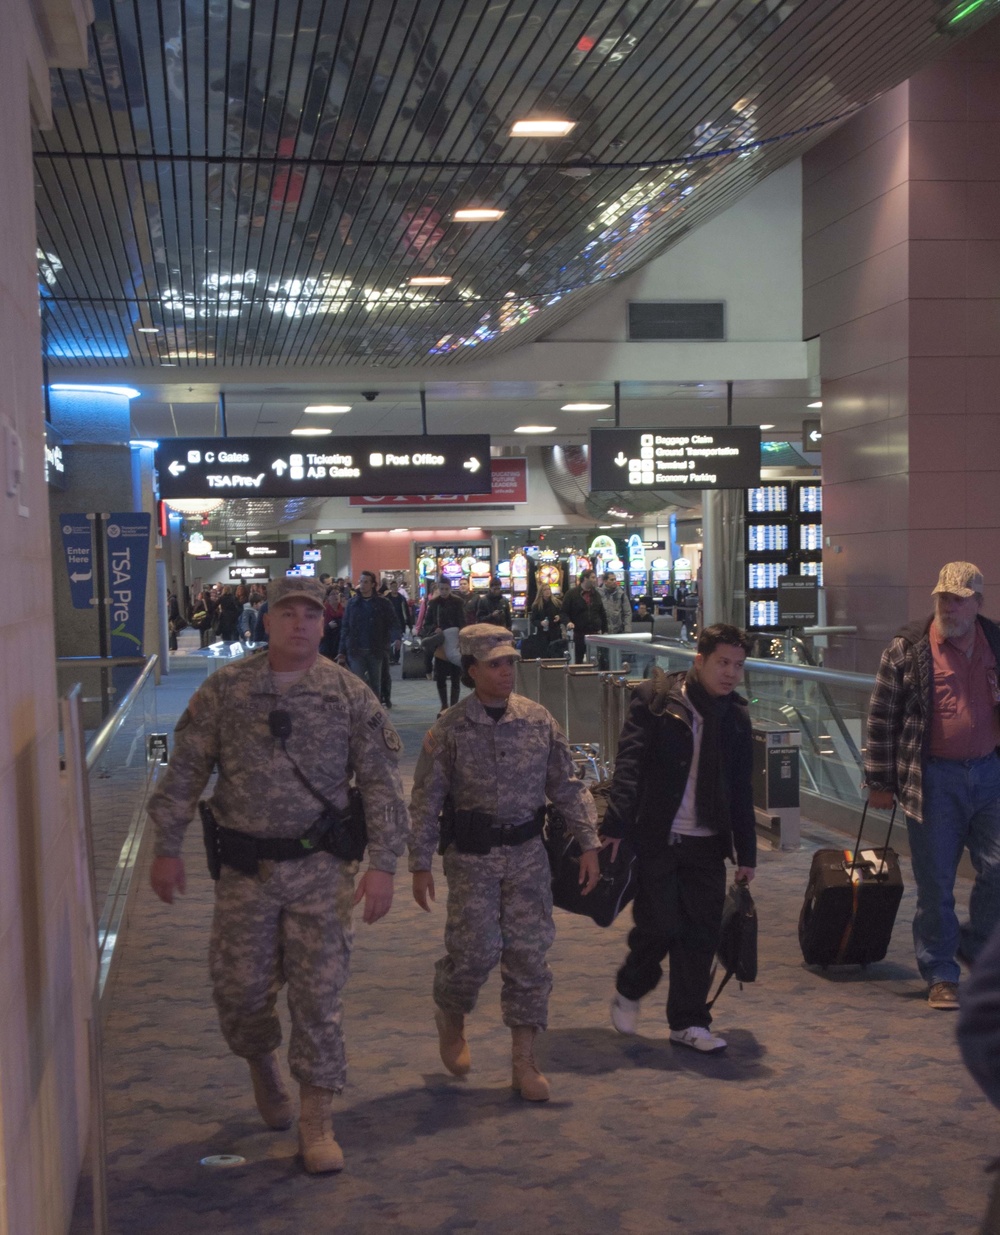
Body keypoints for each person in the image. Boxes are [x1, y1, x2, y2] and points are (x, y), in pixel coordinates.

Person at [146, 576, 409, 1174]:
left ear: (324, 624)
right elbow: (186, 770)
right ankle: (263, 1064)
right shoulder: (226, 690)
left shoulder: (347, 694)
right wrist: (166, 844)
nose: (299, 624)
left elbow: (380, 784)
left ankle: (317, 1120)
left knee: (319, 997)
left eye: (310, 616)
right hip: (246, 870)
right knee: (238, 993)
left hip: (321, 868)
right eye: (287, 613)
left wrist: (385, 864)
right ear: (267, 621)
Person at [409, 624, 602, 1101]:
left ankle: (524, 1060)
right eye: (494, 664)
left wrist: (589, 842)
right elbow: (425, 800)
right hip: (471, 857)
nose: (505, 672)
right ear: (471, 670)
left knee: (528, 954)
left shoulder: (537, 721)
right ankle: (451, 1012)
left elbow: (567, 785)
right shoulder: (451, 729)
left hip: (526, 855)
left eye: (510, 662)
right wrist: (418, 863)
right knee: (474, 953)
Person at [601, 623, 756, 1053]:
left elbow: (741, 790)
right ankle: (631, 986)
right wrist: (614, 824)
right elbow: (629, 765)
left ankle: (688, 1021)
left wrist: (747, 853)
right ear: (700, 660)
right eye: (723, 663)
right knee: (659, 926)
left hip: (707, 841)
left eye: (738, 666)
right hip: (658, 836)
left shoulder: (736, 716)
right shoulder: (657, 701)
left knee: (701, 933)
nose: (730, 673)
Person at [864, 561, 1000, 1010]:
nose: (950, 606)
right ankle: (941, 973)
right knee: (936, 883)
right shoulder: (908, 648)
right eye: (944, 597)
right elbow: (881, 719)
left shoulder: (996, 643)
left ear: (978, 603)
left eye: (959, 599)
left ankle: (975, 947)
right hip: (933, 779)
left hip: (990, 774)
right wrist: (880, 781)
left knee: (998, 869)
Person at [338, 570, 400, 705]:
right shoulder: (352, 604)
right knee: (357, 684)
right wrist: (341, 651)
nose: (363, 584)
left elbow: (393, 622)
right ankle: (360, 713)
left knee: (375, 684)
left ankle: (375, 712)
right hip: (356, 650)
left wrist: (396, 638)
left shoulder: (383, 603)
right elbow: (345, 628)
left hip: (375, 649)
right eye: (361, 581)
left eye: (366, 582)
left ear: (373, 584)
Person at [420, 576, 468, 714]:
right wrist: (434, 629)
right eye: (441, 589)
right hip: (441, 641)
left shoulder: (458, 602)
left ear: (450, 588)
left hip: (454, 640)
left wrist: (461, 635)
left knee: (455, 676)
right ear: (438, 588)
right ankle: (444, 705)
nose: (444, 591)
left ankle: (453, 706)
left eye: (446, 589)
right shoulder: (434, 603)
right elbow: (427, 623)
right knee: (440, 676)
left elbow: (462, 621)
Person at [561, 568, 608, 664]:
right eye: (593, 577)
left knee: (595, 660)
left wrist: (605, 630)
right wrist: (568, 622)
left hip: (594, 632)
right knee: (578, 660)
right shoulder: (571, 594)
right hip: (578, 633)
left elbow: (602, 612)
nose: (595, 580)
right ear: (585, 579)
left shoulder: (596, 594)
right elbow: (563, 612)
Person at [385, 578, 411, 664]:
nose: (394, 588)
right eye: (392, 587)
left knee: (398, 641)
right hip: (388, 623)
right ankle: (391, 657)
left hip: (399, 623)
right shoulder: (386, 599)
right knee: (389, 641)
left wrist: (409, 624)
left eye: (395, 587)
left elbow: (406, 612)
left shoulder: (401, 599)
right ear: (390, 587)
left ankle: (396, 658)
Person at [530, 583, 564, 648]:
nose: (547, 591)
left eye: (548, 589)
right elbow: (533, 620)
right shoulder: (536, 605)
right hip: (542, 633)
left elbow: (563, 614)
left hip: (555, 633)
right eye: (545, 590)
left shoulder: (557, 603)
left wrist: (559, 617)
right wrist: (540, 623)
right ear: (541, 592)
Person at [599, 571, 632, 635]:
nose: (614, 581)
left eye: (615, 579)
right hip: (604, 632)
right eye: (611, 580)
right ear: (605, 581)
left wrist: (627, 630)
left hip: (618, 632)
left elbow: (627, 613)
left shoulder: (621, 594)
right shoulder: (599, 594)